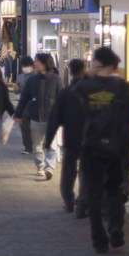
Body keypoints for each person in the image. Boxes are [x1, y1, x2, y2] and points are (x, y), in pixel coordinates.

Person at [72, 47, 129, 253]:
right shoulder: (122, 86)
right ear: (113, 66)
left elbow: (73, 103)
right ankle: (116, 226)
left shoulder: (84, 86)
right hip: (115, 146)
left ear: (96, 63)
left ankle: (100, 240)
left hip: (91, 146)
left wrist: (88, 76)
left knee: (93, 193)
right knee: (114, 188)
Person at [44, 59, 88, 217]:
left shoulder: (64, 93)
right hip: (89, 139)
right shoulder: (92, 92)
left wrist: (48, 140)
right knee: (86, 172)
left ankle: (69, 202)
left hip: (70, 138)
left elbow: (54, 118)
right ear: (85, 70)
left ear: (69, 72)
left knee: (68, 171)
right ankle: (83, 204)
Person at [14, 53, 63, 178]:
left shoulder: (56, 79)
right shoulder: (31, 80)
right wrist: (18, 114)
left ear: (45, 64)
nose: (34, 64)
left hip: (52, 118)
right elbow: (23, 98)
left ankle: (49, 167)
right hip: (35, 118)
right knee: (37, 146)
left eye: (37, 62)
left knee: (51, 145)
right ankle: (40, 165)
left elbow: (62, 99)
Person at [13, 56, 35, 154]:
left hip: (35, 104)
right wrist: (16, 90)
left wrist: (21, 90)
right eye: (23, 65)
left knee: (36, 127)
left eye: (27, 65)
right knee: (24, 126)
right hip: (24, 104)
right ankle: (28, 147)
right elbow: (17, 92)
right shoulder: (20, 76)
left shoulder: (37, 76)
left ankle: (38, 145)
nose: (25, 67)